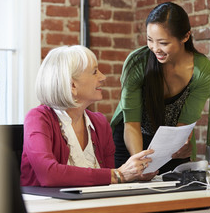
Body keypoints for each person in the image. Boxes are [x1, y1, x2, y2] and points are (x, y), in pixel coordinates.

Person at [20, 45, 156, 187]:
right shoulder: (38, 119)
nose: (103, 77)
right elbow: (48, 175)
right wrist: (118, 175)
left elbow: (109, 182)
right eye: (95, 72)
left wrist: (133, 174)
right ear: (72, 85)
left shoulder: (100, 123)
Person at [110, 2, 210, 174]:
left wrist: (180, 147)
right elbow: (132, 124)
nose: (155, 49)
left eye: (163, 42)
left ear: (185, 37)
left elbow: (185, 123)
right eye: (150, 40)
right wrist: (140, 166)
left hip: (172, 144)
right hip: (132, 138)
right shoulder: (137, 63)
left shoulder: (201, 70)